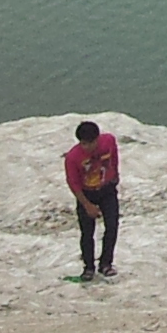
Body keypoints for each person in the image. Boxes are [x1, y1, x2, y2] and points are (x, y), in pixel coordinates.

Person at [65, 119, 121, 280]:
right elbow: (73, 183)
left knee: (112, 226)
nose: (87, 147)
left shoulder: (108, 141)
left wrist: (115, 174)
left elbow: (114, 155)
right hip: (86, 193)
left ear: (97, 138)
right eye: (83, 143)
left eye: (91, 143)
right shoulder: (73, 157)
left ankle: (106, 264)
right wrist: (87, 204)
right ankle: (88, 267)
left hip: (107, 189)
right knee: (87, 232)